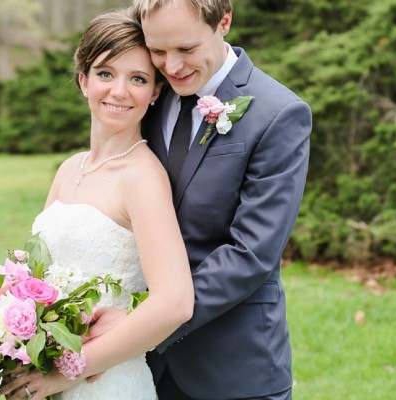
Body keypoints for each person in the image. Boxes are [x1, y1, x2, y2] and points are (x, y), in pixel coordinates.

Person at [88, 0, 312, 398]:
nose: (172, 66)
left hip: (232, 367)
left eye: (186, 49)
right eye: (158, 51)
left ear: (224, 21)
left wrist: (145, 319)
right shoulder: (148, 94)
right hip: (136, 368)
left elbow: (251, 253)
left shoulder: (279, 114)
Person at [0, 8, 194, 400]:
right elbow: (38, 276)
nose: (119, 91)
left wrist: (70, 372)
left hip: (104, 383)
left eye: (138, 79)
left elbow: (175, 303)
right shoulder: (69, 169)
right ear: (83, 80)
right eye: (106, 73)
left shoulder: (142, 177)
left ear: (155, 92)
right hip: (45, 374)